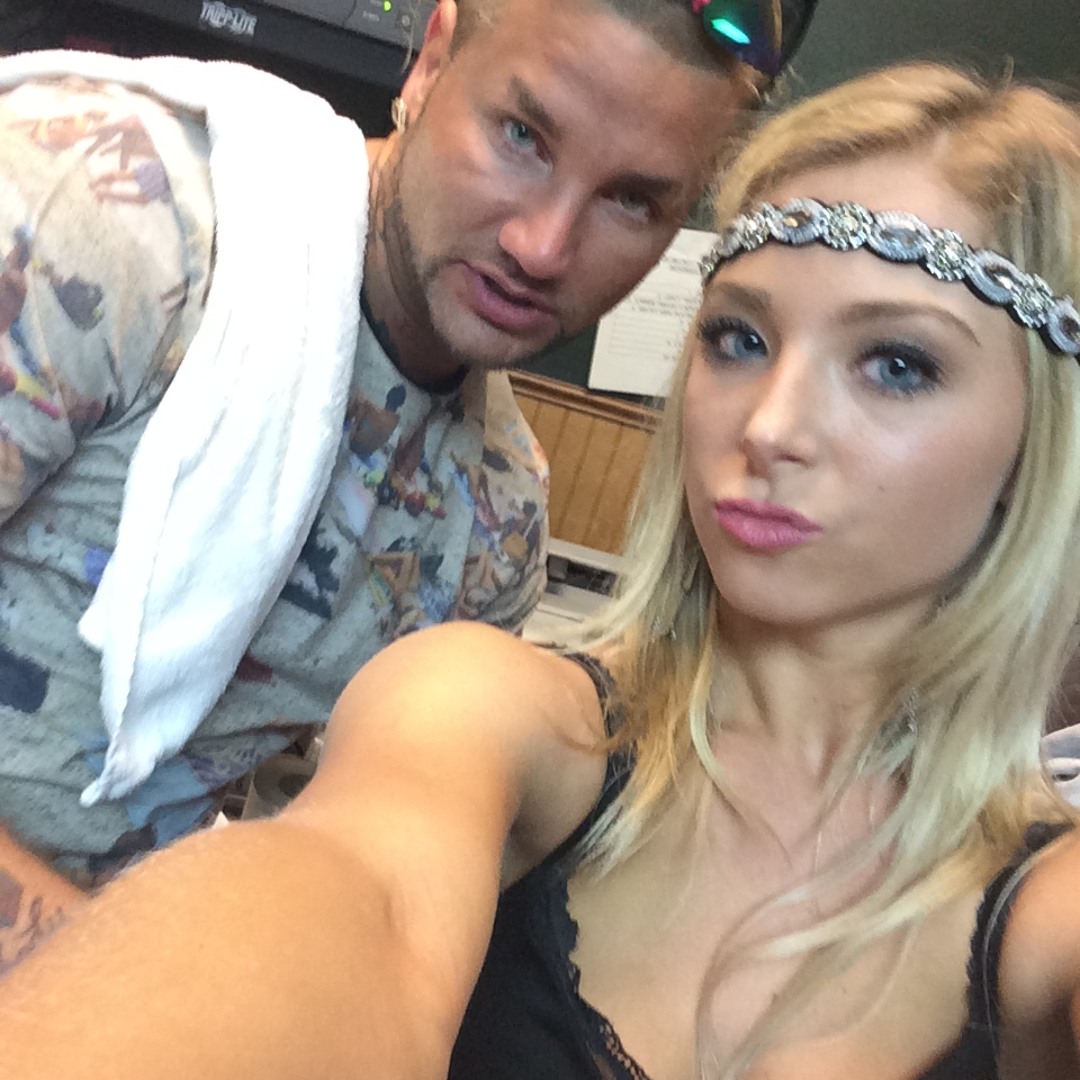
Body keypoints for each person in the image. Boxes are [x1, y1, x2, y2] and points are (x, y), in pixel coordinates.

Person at [12, 53, 1080, 1080]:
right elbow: (352, 898)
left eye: (897, 364)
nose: (770, 427)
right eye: (739, 341)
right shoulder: (488, 713)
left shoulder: (1046, 915)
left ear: (1041, 441)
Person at [0, 0, 819, 958]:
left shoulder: (497, 523)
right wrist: (114, 985)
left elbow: (310, 841)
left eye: (632, 200)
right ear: (429, 65)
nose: (543, 246)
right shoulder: (99, 210)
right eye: (522, 136)